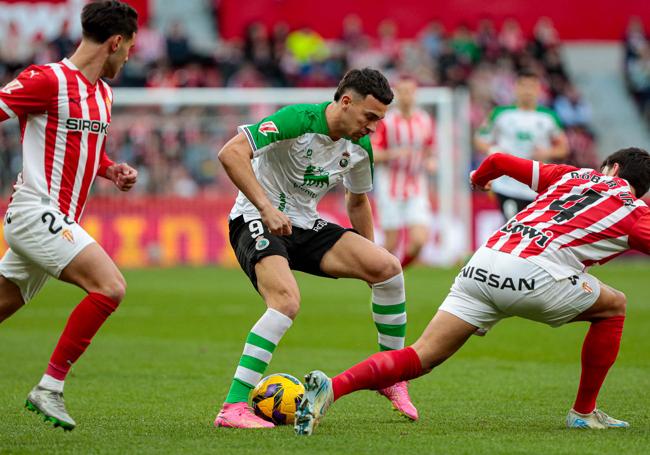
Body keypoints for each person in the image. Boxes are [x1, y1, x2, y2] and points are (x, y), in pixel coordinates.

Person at [294, 147, 650, 435]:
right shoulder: (636, 212)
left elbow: (497, 161)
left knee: (422, 356)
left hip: (482, 263)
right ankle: (583, 412)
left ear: (612, 168)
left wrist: (479, 179)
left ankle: (334, 387)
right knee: (614, 305)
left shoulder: (572, 174)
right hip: (535, 276)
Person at [215, 68, 417, 429]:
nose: (373, 128)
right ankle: (231, 408)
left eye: (379, 121)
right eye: (369, 117)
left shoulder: (359, 146)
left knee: (387, 269)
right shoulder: (298, 119)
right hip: (254, 218)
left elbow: (357, 203)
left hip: (304, 223)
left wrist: (367, 259)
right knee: (286, 302)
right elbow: (231, 153)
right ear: (345, 102)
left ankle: (390, 374)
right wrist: (265, 207)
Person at [0, 1, 138, 431]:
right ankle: (50, 387)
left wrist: (110, 168)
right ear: (115, 42)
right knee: (110, 287)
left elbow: (83, 148)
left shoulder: (104, 93)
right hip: (34, 212)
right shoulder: (47, 80)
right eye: (129, 47)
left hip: (59, 219)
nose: (129, 56)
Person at [475, 69, 569, 220]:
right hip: (506, 185)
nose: (527, 91)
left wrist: (547, 152)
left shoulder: (549, 117)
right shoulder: (500, 114)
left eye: (532, 86)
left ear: (539, 90)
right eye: (523, 86)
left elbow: (563, 148)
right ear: (516, 88)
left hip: (536, 187)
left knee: (530, 229)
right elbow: (480, 140)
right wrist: (494, 150)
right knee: (513, 224)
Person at [372, 77, 436, 267]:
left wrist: (431, 161)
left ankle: (396, 272)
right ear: (396, 94)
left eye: (410, 91)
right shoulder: (387, 122)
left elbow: (429, 149)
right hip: (389, 185)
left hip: (416, 185)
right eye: (402, 91)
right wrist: (395, 153)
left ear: (415, 94)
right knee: (391, 243)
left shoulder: (424, 120)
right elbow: (373, 154)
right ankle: (381, 277)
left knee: (419, 241)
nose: (406, 96)